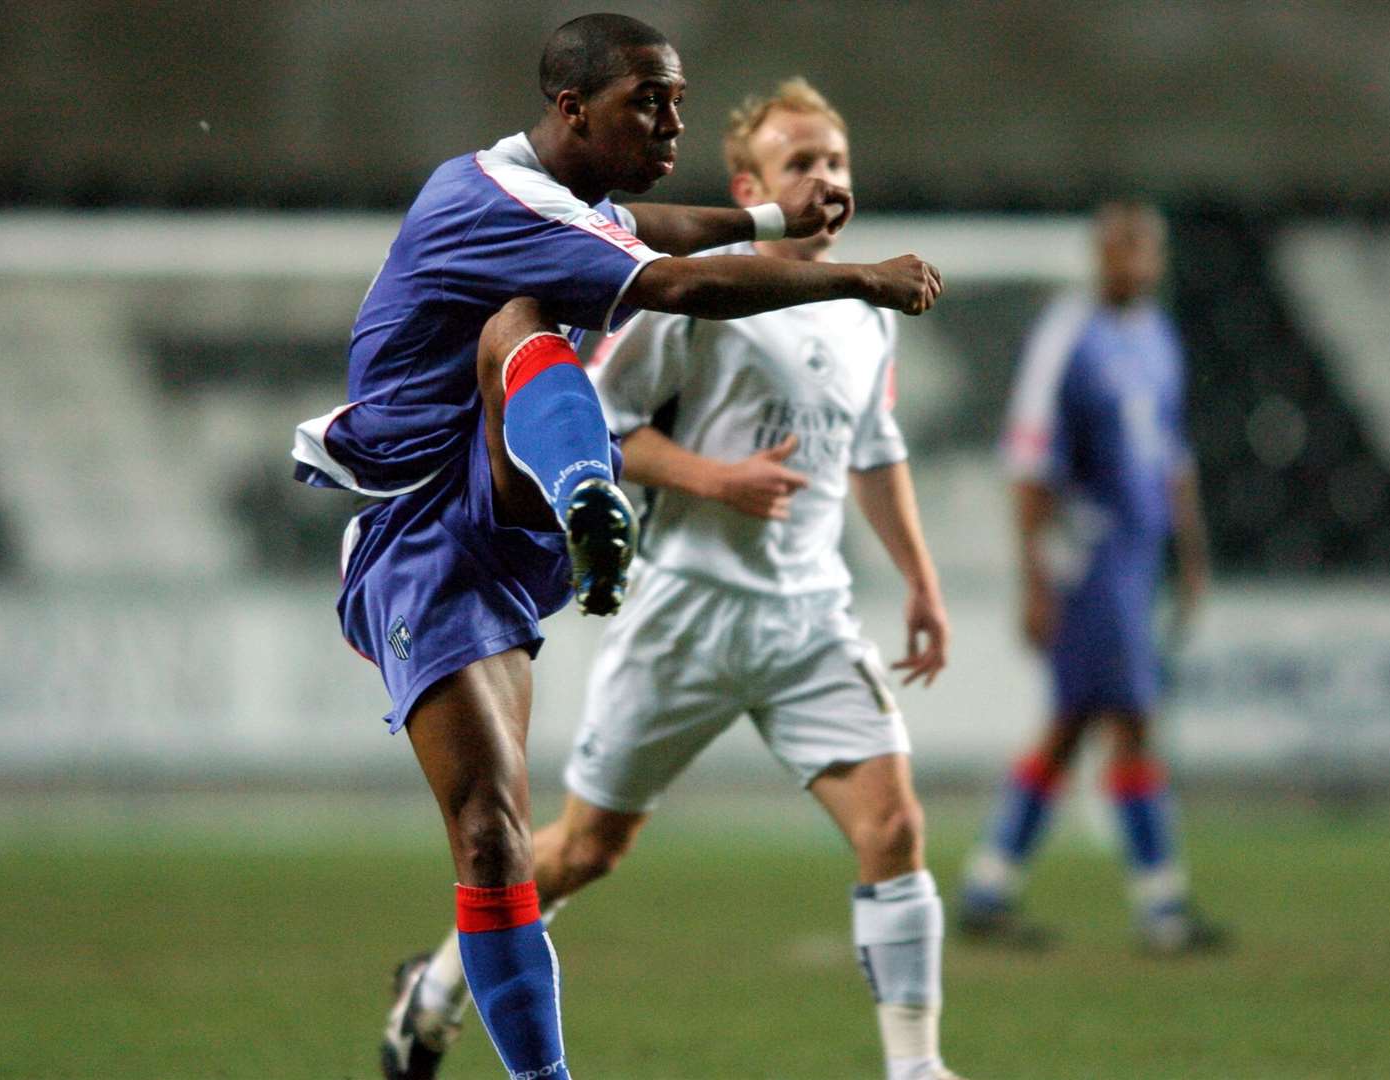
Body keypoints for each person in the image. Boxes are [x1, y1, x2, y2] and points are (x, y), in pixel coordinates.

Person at [291, 14, 942, 1080]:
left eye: (678, 99)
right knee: (503, 840)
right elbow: (677, 282)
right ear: (570, 109)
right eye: (650, 99)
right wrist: (857, 273)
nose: (671, 118)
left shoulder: (566, 200)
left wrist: (775, 215)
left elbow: (652, 225)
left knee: (872, 828)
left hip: (519, 514)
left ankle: (915, 1065)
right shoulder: (481, 201)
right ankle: (590, 494)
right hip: (426, 527)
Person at [955, 202, 1225, 955]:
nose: (1132, 260)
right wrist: (1034, 579)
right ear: (1098, 255)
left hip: (1137, 562)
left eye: (1143, 248)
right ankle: (1161, 907)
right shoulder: (1067, 335)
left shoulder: (1156, 337)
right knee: (1128, 722)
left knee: (1073, 725)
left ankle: (987, 887)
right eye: (1119, 247)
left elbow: (1171, 456)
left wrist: (1191, 553)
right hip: (1089, 558)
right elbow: (1027, 460)